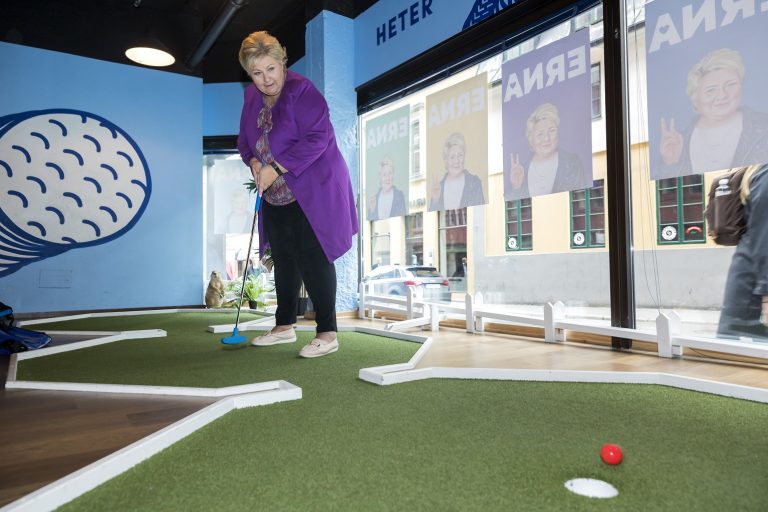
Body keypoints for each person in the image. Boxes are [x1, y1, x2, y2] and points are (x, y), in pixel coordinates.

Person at [236, 31, 358, 358]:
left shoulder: (302, 91)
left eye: (271, 69)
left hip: (313, 185)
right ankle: (284, 326)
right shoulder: (250, 97)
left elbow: (318, 138)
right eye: (257, 73)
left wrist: (273, 168)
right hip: (275, 192)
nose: (266, 80)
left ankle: (328, 332)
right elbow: (245, 143)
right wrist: (252, 162)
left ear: (282, 61)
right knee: (285, 256)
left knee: (313, 255)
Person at [658, 48, 768, 178]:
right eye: (711, 90)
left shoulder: (762, 126)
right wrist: (671, 164)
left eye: (730, 84)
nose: (722, 95)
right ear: (695, 98)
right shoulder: (680, 142)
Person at [717, 164, 768, 341]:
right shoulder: (766, 173)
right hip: (750, 298)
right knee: (735, 361)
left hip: (748, 293)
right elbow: (765, 238)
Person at [508, 103, 586, 199]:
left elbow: (578, 200)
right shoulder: (521, 172)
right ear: (530, 139)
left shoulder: (572, 164)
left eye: (551, 131)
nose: (546, 138)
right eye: (540, 134)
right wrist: (517, 187)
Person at [429, 132, 485, 211]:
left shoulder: (474, 183)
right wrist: (435, 201)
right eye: (452, 157)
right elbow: (433, 220)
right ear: (446, 160)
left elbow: (480, 214)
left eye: (460, 155)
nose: (457, 161)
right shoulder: (438, 188)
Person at [367, 156, 407, 220]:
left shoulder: (399, 196)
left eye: (390, 173)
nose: (388, 178)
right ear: (380, 176)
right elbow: (370, 223)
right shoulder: (375, 199)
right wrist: (372, 211)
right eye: (384, 174)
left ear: (393, 174)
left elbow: (402, 221)